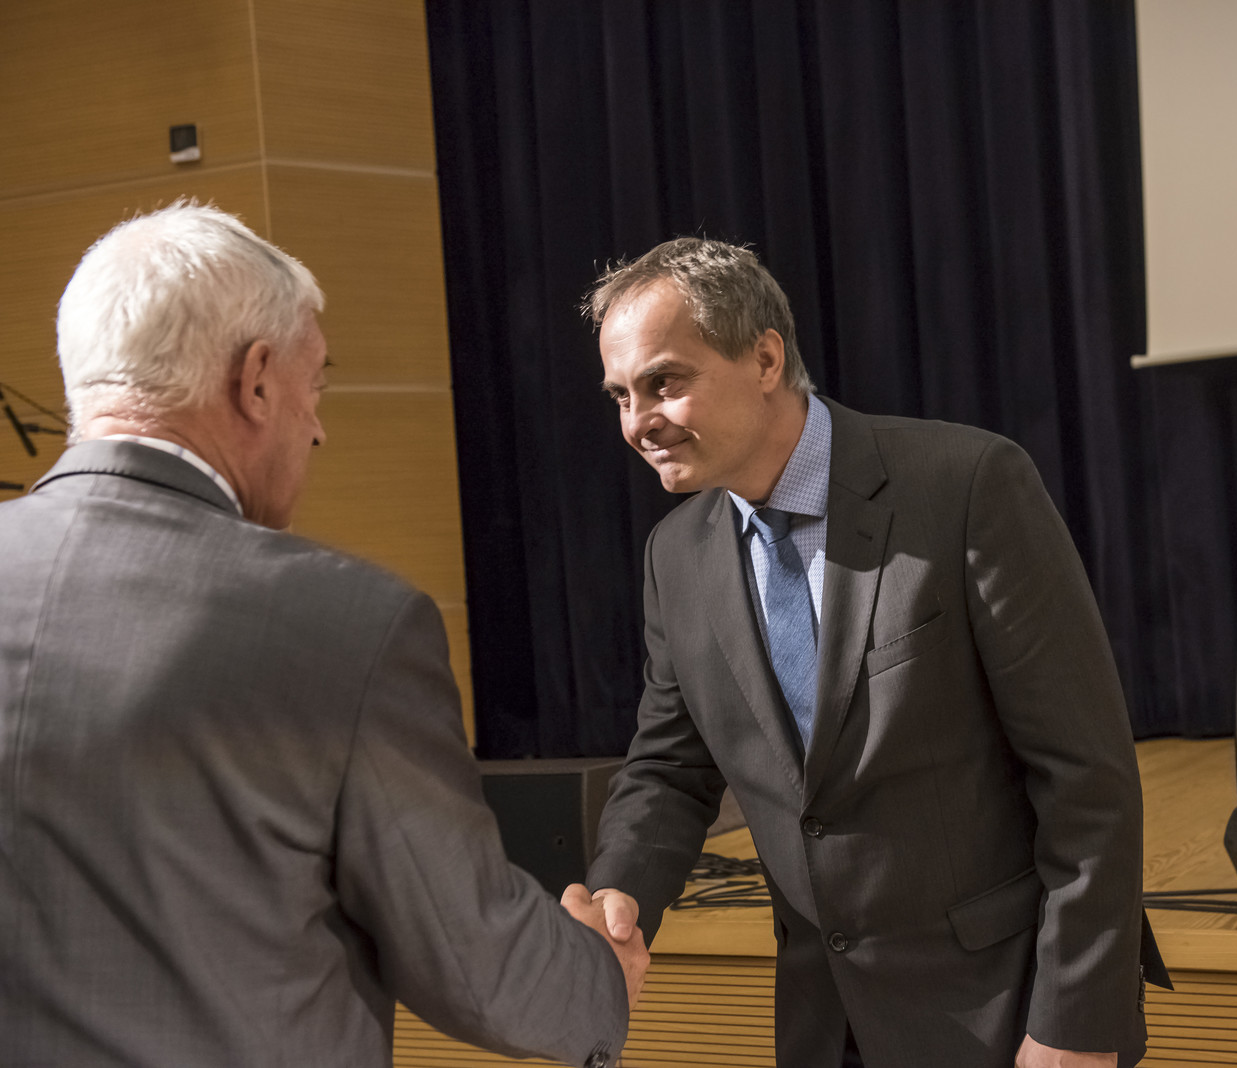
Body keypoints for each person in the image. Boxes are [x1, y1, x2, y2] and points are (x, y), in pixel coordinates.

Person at [0, 202, 646, 1068]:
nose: (317, 426)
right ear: (257, 381)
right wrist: (598, 976)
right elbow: (478, 963)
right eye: (316, 386)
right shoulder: (345, 625)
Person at [575, 237, 1167, 1068]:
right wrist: (619, 895)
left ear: (765, 358)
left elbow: (1087, 778)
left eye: (664, 382)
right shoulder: (674, 554)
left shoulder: (967, 485)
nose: (638, 423)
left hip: (1006, 1013)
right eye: (621, 395)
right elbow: (670, 769)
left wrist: (1076, 1022)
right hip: (825, 1024)